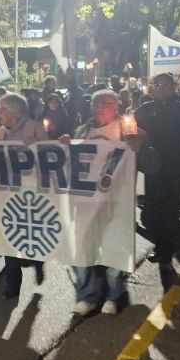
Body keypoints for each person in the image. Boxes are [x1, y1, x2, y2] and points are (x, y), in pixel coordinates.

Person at [59, 90, 143, 315]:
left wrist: (137, 146)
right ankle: (86, 295)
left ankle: (114, 295)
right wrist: (65, 146)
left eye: (103, 103)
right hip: (84, 201)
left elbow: (148, 158)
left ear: (116, 107)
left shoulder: (126, 130)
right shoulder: (82, 130)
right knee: (83, 247)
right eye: (94, 103)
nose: (96, 107)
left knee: (113, 246)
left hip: (114, 201)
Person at [133, 73, 180, 265]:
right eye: (157, 84)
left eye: (165, 85)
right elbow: (130, 126)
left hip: (173, 170)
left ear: (173, 87)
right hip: (153, 170)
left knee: (168, 213)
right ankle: (162, 248)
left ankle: (166, 252)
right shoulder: (146, 108)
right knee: (152, 212)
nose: (160, 88)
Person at [0, 93, 49, 298]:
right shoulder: (0, 133)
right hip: (7, 193)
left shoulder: (34, 127)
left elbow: (54, 157)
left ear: (15, 111)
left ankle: (37, 261)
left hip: (31, 193)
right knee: (9, 236)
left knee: (30, 235)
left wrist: (40, 145)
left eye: (2, 109)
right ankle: (12, 281)